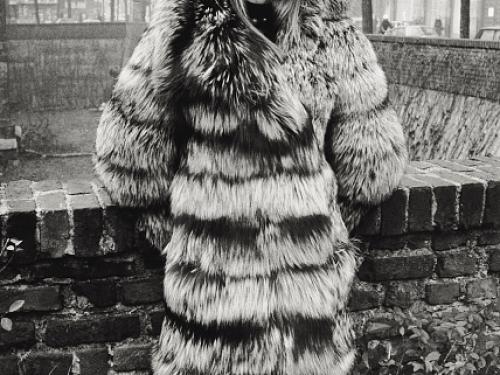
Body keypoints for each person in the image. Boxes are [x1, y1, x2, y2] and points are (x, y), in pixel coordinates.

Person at [95, 0, 408, 373]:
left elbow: (373, 164)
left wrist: (197, 243)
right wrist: (318, 231)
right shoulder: (330, 29)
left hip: (217, 311)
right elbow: (128, 161)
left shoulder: (183, 24)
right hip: (301, 309)